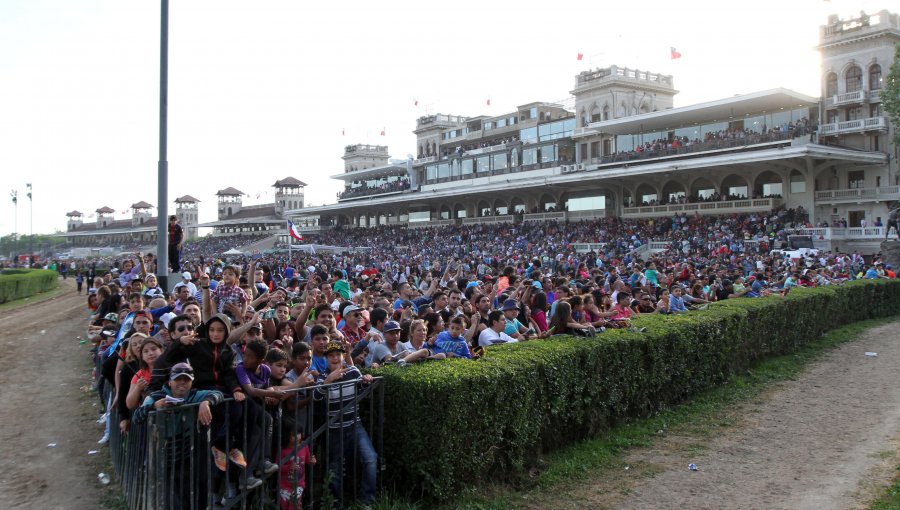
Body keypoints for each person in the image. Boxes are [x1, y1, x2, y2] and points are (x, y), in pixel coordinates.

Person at [133, 362, 223, 510]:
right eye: (178, 379)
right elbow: (137, 417)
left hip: (187, 457)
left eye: (186, 379)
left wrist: (206, 403)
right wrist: (154, 407)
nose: (182, 383)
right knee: (170, 502)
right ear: (170, 381)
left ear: (192, 381)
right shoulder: (156, 396)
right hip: (162, 457)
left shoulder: (194, 395)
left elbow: (218, 394)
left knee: (189, 499)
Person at [314, 341, 377, 508]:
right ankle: (336, 504)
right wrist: (328, 380)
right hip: (334, 429)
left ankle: (366, 501)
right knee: (335, 468)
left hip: (355, 425)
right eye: (331, 355)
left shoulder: (352, 370)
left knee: (370, 459)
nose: (335, 358)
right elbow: (315, 396)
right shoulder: (323, 375)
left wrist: (366, 380)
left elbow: (363, 391)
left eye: (338, 355)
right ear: (326, 358)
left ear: (343, 356)